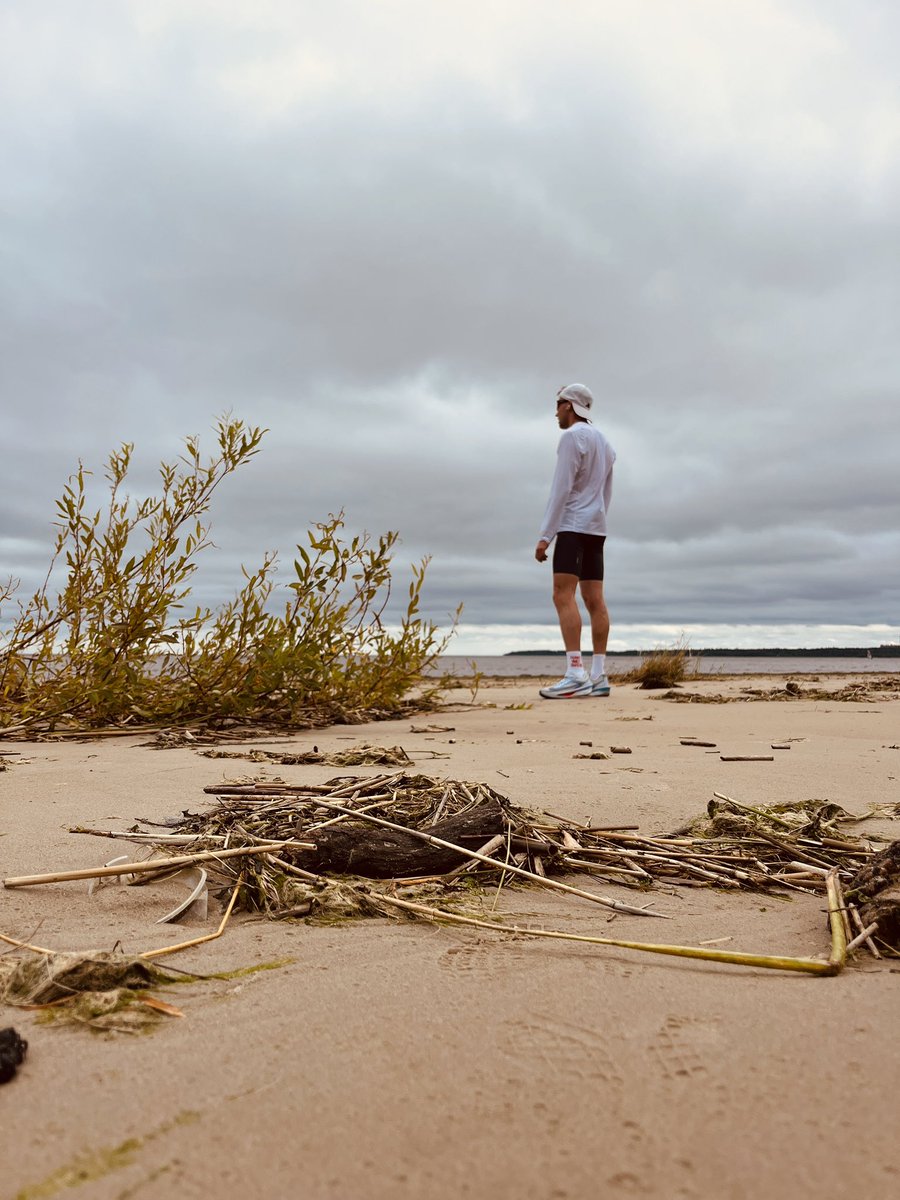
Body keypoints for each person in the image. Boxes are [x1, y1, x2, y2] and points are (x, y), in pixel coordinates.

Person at [535, 383, 616, 699]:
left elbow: (561, 488)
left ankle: (575, 673)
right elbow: (606, 491)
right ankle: (599, 675)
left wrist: (545, 535)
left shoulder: (571, 437)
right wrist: (598, 519)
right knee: (595, 600)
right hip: (596, 528)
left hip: (571, 526)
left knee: (562, 595)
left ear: (569, 405)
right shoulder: (605, 443)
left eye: (558, 404)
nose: (555, 411)